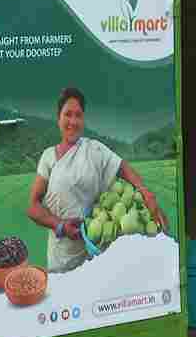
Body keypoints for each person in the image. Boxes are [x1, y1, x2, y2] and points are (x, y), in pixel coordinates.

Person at [25, 86, 167, 273]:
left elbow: (123, 167)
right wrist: (60, 226)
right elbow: (33, 207)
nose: (73, 121)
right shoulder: (49, 157)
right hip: (62, 257)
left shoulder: (95, 149)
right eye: (68, 114)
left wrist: (144, 192)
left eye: (78, 115)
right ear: (58, 118)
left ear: (83, 119)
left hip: (98, 250)